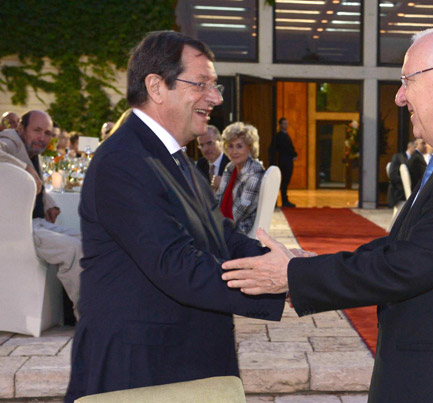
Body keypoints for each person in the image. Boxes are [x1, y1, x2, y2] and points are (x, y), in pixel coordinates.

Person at [222, 25, 433, 402]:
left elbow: (408, 265)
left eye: (407, 80)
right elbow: (413, 245)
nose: (399, 96)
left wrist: (294, 275)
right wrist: (311, 266)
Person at [65, 31, 285, 402]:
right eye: (202, 84)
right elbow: (176, 264)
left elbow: (223, 238)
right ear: (156, 86)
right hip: (142, 372)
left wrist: (290, 267)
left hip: (180, 360)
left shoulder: (174, 158)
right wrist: (282, 281)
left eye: (214, 86)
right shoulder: (124, 160)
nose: (215, 97)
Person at [0, 110, 83, 318]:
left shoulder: (30, 151)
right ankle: (87, 318)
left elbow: (35, 186)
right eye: (37, 130)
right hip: (18, 228)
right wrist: (24, 167)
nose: (42, 138)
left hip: (36, 222)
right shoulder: (10, 140)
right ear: (20, 128)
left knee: (88, 241)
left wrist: (48, 202)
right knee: (73, 249)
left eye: (47, 133)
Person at [214, 122, 264, 235]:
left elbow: (241, 210)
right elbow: (218, 198)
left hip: (240, 231)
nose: (234, 151)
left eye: (239, 146)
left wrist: (215, 226)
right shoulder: (230, 167)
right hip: (223, 226)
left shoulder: (254, 171)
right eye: (230, 146)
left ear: (250, 148)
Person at [268, 117, 297, 207]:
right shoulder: (279, 136)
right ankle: (282, 200)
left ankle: (285, 199)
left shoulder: (286, 135)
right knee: (283, 181)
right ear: (280, 125)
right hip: (283, 161)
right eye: (284, 124)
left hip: (287, 161)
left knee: (286, 181)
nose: (286, 126)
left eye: (287, 123)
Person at [196, 124, 229, 193]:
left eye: (210, 143)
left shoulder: (231, 163)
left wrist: (224, 184)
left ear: (221, 142)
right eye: (202, 145)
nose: (206, 149)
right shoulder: (200, 165)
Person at [387, 140, 415, 207]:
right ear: (409, 147)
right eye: (415, 147)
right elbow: (393, 175)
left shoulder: (417, 159)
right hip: (399, 194)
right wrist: (405, 183)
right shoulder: (398, 157)